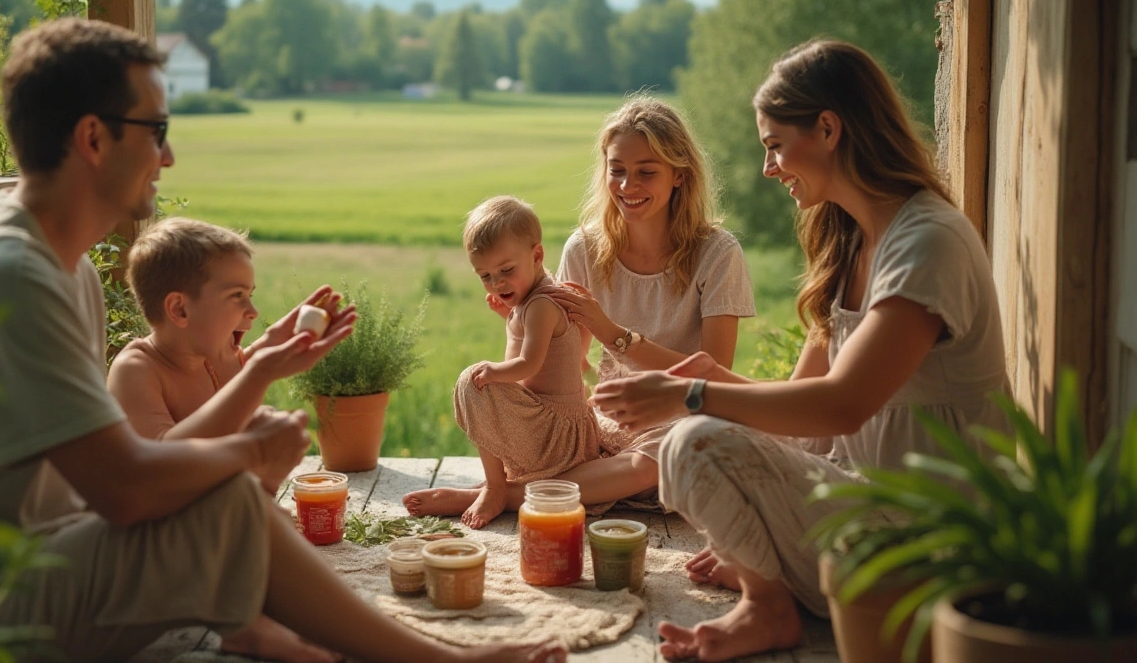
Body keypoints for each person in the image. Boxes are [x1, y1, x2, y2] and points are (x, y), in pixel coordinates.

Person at [0, 17, 565, 663]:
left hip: (31, 560)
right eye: (156, 130)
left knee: (225, 499)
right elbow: (125, 492)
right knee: (229, 498)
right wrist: (248, 450)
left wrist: (256, 371)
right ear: (92, 138)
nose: (167, 156)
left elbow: (124, 466)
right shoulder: (15, 275)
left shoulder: (60, 267)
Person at [589, 39, 1011, 662]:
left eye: (775, 146)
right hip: (862, 510)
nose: (770, 168)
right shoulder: (852, 244)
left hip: (934, 543)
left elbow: (842, 406)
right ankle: (775, 591)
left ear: (829, 129)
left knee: (689, 437)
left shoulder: (928, 242)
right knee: (701, 430)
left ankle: (770, 603)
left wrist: (690, 395)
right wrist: (717, 388)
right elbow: (806, 419)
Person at [405, 96, 755, 517]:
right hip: (610, 417)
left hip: (685, 414)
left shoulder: (718, 253)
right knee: (484, 387)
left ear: (679, 176)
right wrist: (519, 328)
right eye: (617, 170)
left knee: (666, 454)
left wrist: (615, 336)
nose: (628, 186)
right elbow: (565, 361)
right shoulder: (586, 248)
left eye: (647, 172)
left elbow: (713, 378)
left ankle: (508, 495)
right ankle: (529, 484)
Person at [108, 216, 355, 662]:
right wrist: (258, 370)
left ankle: (260, 599)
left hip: (218, 536)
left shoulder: (217, 357)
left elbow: (234, 388)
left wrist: (273, 348)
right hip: (155, 559)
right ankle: (245, 625)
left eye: (251, 297)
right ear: (180, 310)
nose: (253, 313)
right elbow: (164, 465)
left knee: (269, 444)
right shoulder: (136, 369)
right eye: (237, 297)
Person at [433, 196, 603, 529]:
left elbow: (529, 365)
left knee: (472, 382)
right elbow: (551, 351)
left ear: (536, 255)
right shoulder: (536, 297)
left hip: (555, 434)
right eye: (485, 276)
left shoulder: (540, 306)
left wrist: (493, 371)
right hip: (556, 426)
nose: (497, 283)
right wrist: (509, 317)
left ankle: (496, 489)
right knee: (483, 382)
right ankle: (495, 486)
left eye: (506, 271)